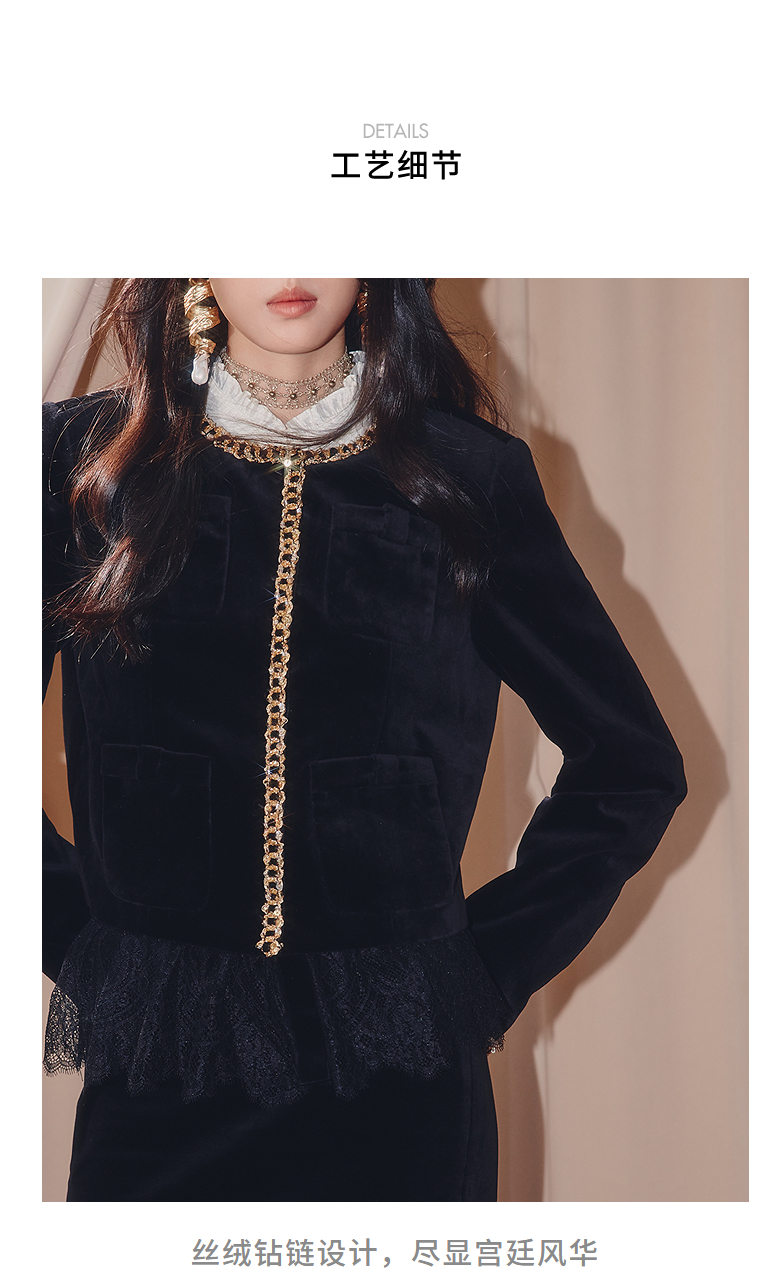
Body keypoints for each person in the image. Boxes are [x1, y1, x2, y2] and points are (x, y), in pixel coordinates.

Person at [42, 278, 686, 1202]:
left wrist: (483, 968)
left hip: (402, 1090)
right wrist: (87, 943)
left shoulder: (468, 476)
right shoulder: (81, 464)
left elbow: (631, 766)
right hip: (160, 1079)